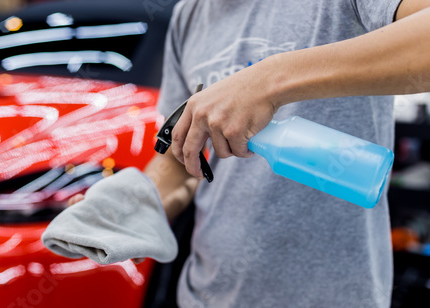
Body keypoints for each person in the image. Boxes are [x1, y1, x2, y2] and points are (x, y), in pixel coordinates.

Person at [70, 0, 430, 307]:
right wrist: (138, 204)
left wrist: (269, 80)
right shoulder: (189, 16)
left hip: (336, 295)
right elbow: (179, 160)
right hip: (207, 295)